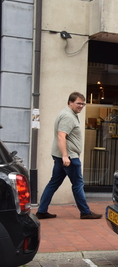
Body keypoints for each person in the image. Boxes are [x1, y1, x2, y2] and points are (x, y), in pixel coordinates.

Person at [36, 92, 102, 220]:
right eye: (78, 103)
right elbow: (61, 136)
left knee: (53, 183)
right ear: (70, 102)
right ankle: (85, 212)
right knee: (78, 184)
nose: (81, 106)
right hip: (69, 157)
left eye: (83, 104)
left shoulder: (69, 114)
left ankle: (42, 211)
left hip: (62, 156)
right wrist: (65, 156)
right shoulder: (68, 116)